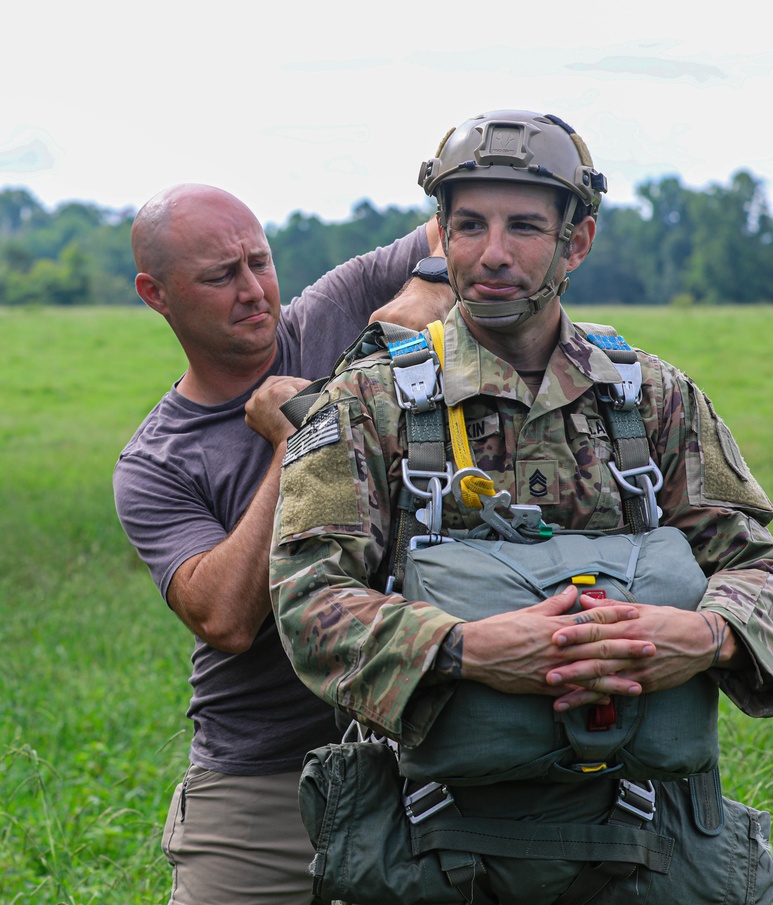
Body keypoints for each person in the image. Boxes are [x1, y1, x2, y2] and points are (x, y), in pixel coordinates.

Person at [270, 112, 773, 904]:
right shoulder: (367, 403)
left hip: (642, 845)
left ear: (575, 242)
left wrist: (702, 634)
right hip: (429, 843)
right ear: (439, 236)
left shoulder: (653, 398)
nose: (493, 254)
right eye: (469, 225)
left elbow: (755, 566)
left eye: (524, 227)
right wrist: (466, 649)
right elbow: (306, 600)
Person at [113, 182, 454, 905]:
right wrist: (297, 439)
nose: (253, 290)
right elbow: (225, 618)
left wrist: (430, 283)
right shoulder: (155, 463)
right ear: (157, 293)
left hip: (424, 747)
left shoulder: (332, 310)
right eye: (220, 276)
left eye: (259, 262)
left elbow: (463, 223)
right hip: (260, 776)